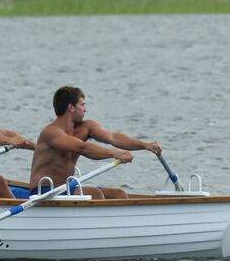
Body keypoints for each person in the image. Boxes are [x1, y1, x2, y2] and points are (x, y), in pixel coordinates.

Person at [28, 85, 162, 199]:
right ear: (71, 107)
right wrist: (114, 154)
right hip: (44, 191)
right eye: (82, 105)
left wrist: (145, 145)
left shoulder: (86, 128)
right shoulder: (51, 132)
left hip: (67, 187)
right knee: (95, 193)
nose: (85, 109)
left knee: (119, 194)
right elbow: (82, 148)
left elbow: (113, 137)